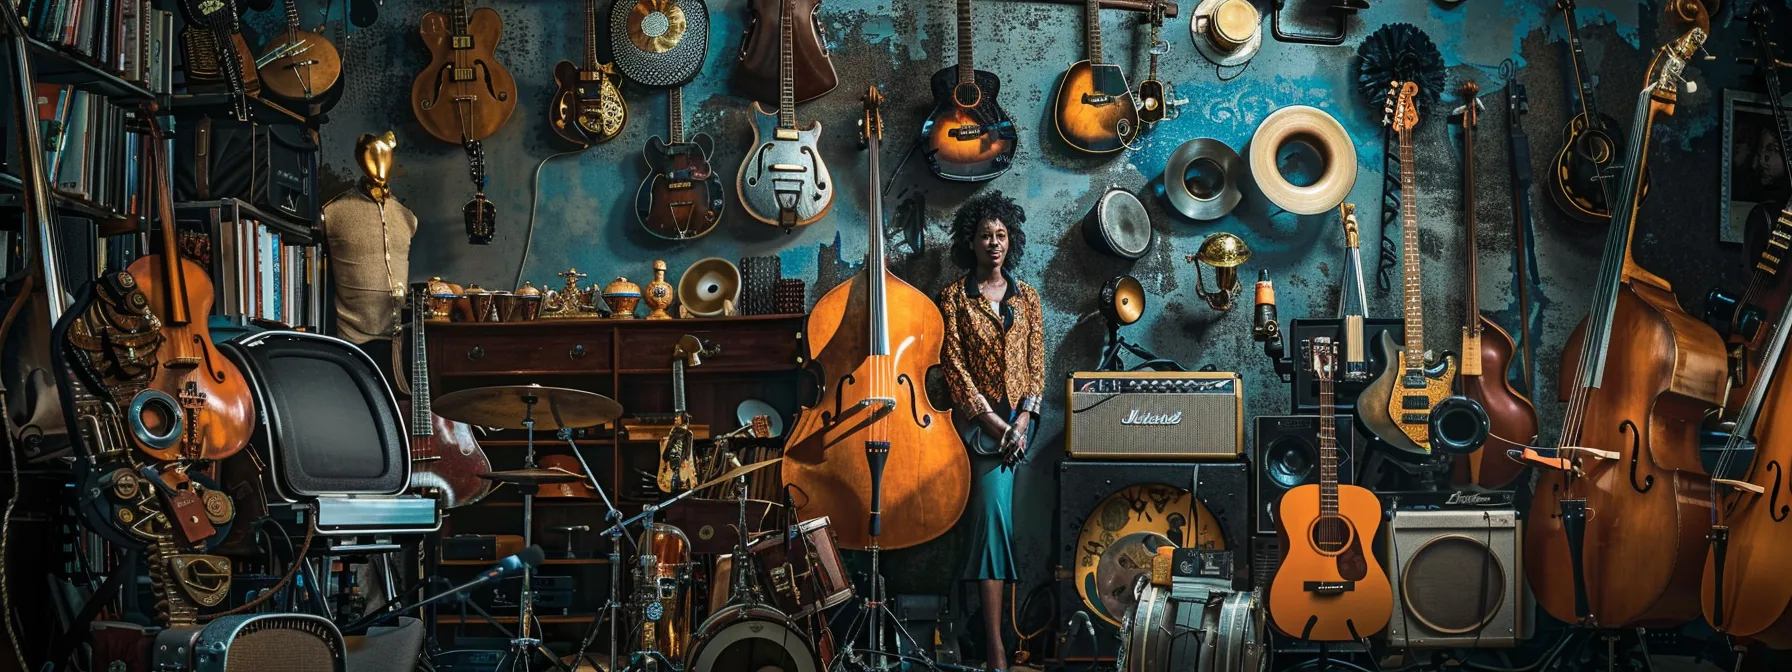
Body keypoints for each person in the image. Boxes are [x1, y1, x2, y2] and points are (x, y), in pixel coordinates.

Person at [937, 191, 1044, 672]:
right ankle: (996, 647)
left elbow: (1037, 365)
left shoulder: (1029, 297)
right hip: (978, 434)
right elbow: (953, 368)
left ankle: (988, 641)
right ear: (971, 242)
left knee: (993, 527)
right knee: (992, 526)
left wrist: (1022, 421)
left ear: (1011, 241)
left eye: (1001, 235)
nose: (994, 243)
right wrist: (996, 424)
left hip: (1018, 434)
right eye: (985, 235)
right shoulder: (955, 298)